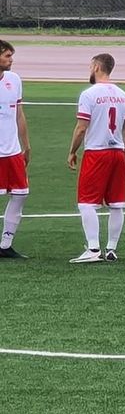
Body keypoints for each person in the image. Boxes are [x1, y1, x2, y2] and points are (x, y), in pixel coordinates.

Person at [67, 54, 125, 263]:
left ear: (96, 67)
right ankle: (111, 248)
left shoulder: (89, 94)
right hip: (117, 153)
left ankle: (93, 248)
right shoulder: (124, 96)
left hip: (97, 152)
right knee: (117, 203)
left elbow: (81, 127)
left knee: (86, 203)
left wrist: (72, 151)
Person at [0, 38, 30, 259]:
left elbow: (19, 114)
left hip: (12, 151)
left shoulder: (14, 79)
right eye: (7, 56)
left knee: (21, 194)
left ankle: (5, 244)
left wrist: (25, 144)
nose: (11, 60)